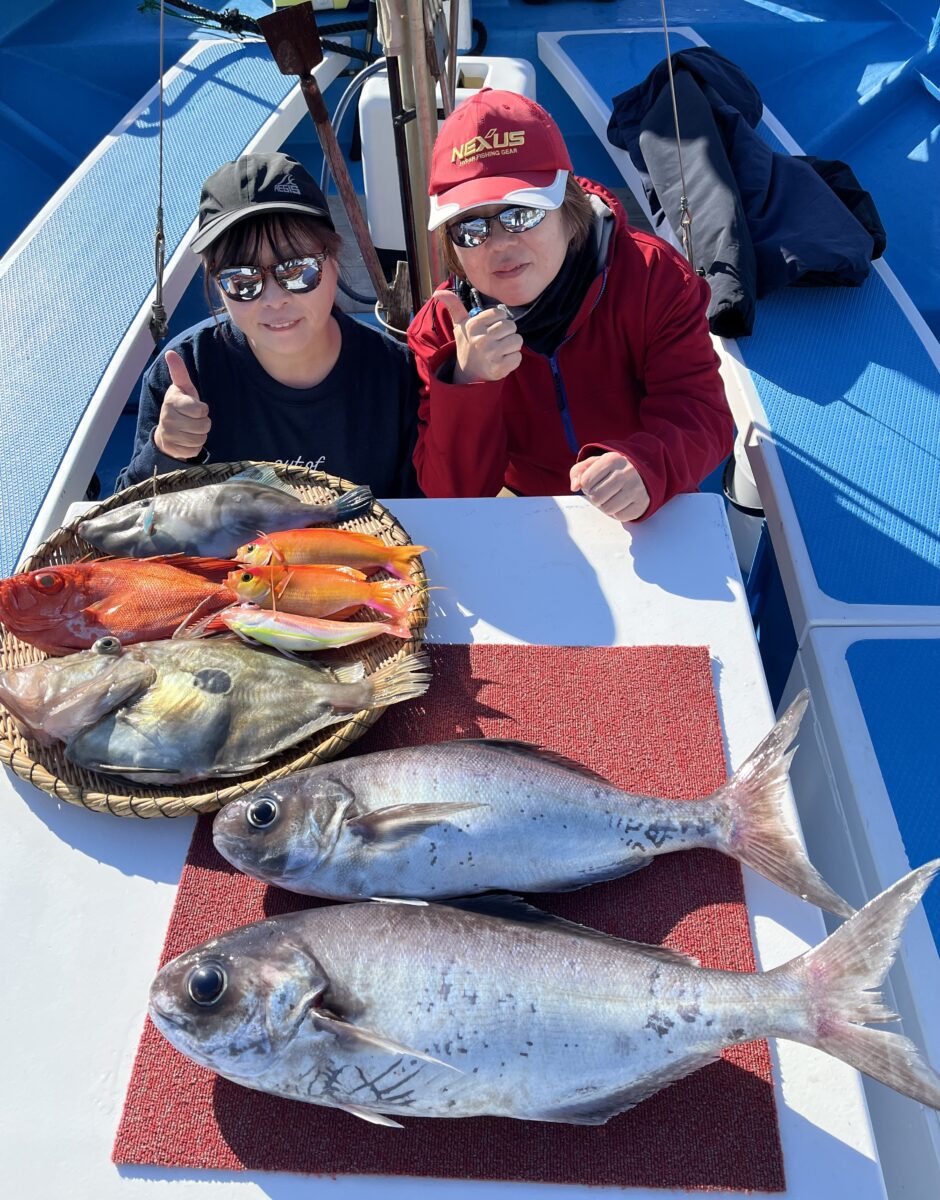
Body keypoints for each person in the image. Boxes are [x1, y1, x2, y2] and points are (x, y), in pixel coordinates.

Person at [407, 90, 733, 522]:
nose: (500, 244)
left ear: (567, 206)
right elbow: (453, 497)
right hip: (525, 510)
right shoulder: (441, 330)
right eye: (470, 227)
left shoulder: (653, 277)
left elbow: (702, 412)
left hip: (647, 503)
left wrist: (647, 466)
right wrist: (467, 383)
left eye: (521, 213)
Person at [117, 152, 420, 497]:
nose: (274, 299)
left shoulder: (397, 374)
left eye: (297, 270)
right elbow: (132, 519)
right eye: (242, 280)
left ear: (333, 261)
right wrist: (166, 449)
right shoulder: (185, 375)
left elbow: (425, 510)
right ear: (217, 284)